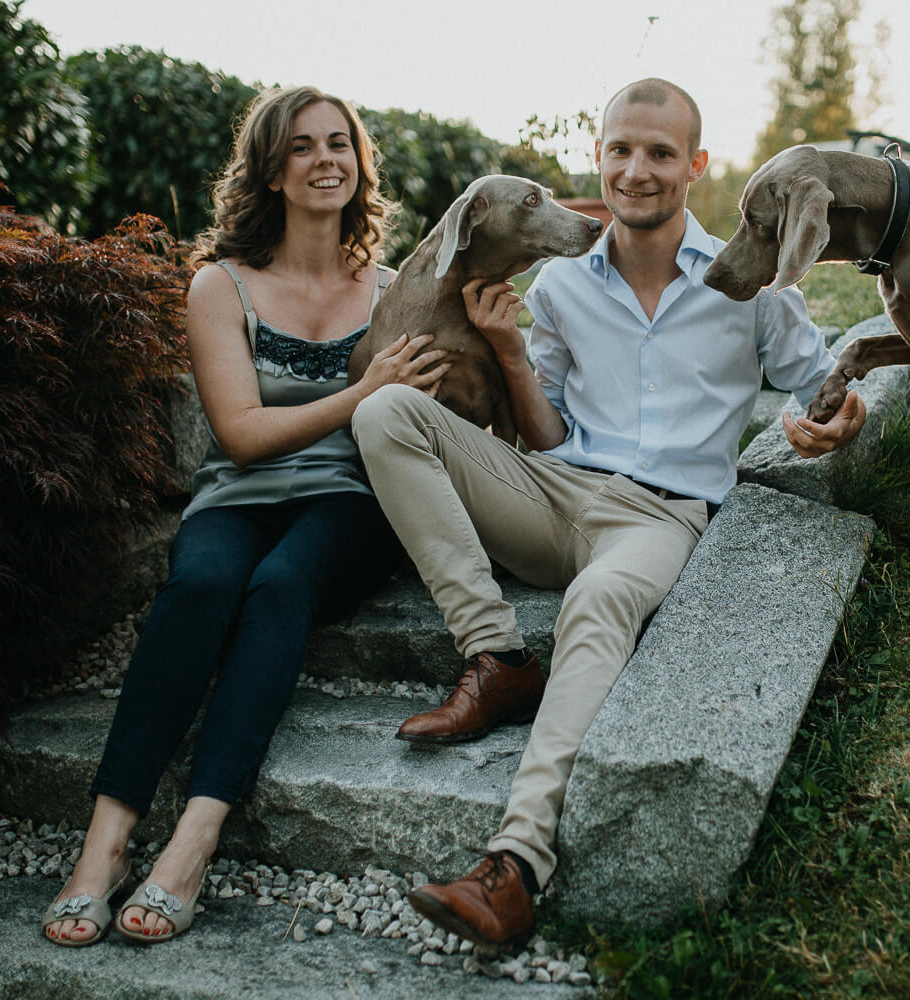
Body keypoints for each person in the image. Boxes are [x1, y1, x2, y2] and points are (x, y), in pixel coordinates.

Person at [350, 77, 866, 948]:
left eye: (660, 153)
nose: (637, 171)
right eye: (621, 150)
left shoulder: (751, 285)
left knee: (599, 601)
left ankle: (513, 866)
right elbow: (543, 435)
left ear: (695, 166)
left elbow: (819, 378)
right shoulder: (557, 290)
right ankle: (500, 657)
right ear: (599, 157)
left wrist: (835, 413)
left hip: (660, 521)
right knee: (383, 410)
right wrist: (512, 353)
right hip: (554, 494)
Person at [40, 85, 447, 947]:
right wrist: (362, 392)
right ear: (269, 168)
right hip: (240, 491)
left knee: (279, 587)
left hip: (352, 501)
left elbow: (430, 417)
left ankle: (193, 840)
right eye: (303, 146)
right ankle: (103, 848)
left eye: (342, 143)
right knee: (200, 583)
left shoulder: (392, 289)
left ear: (361, 164)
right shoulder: (220, 286)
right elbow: (242, 435)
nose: (327, 159)